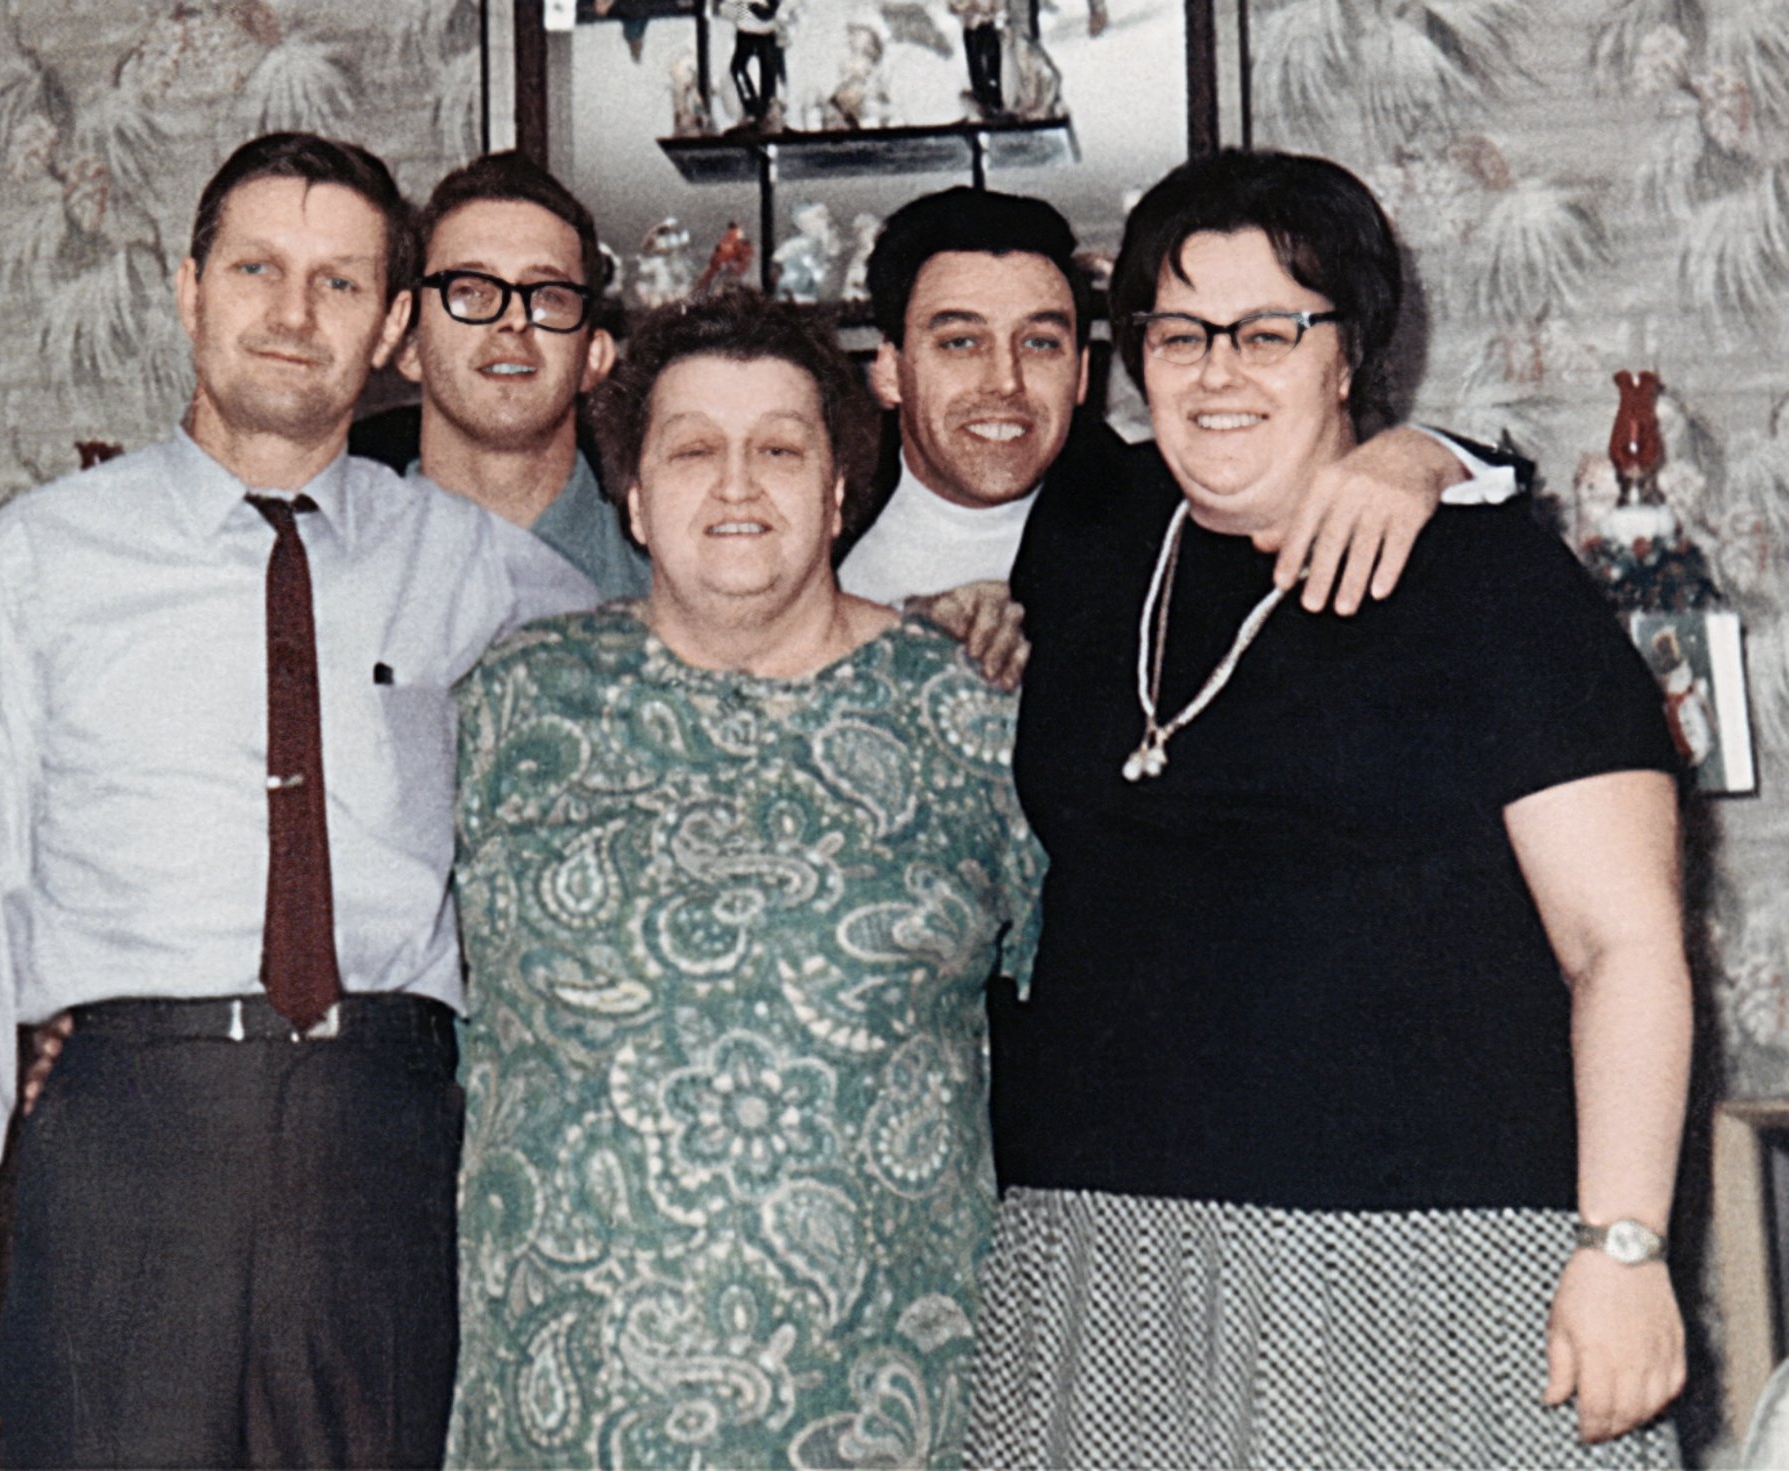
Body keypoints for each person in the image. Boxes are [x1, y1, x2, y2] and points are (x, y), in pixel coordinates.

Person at [0, 133, 593, 1468]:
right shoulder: (43, 557)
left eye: (342, 282)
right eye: (258, 269)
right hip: (127, 1148)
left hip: (387, 1154)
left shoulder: (491, 575)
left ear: (393, 332)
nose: (294, 314)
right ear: (188, 290)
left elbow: (716, 661)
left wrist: (943, 618)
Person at [968, 148, 1690, 1468]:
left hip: (1422, 1261)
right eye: (1177, 333)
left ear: (1346, 353)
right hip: (1100, 1257)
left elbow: (1624, 945)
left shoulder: (1492, 585)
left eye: (1269, 329)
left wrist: (1623, 1243)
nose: (1215, 370)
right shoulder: (1093, 529)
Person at [448, 289, 1043, 1469]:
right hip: (562, 1411)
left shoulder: (972, 713)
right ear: (630, 494)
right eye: (690, 450)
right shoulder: (510, 701)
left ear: (835, 492)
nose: (734, 485)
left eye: (777, 448)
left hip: (887, 1409)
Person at [841, 186, 1521, 658]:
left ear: (1083, 373)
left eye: (1040, 343)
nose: (1005, 382)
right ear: (889, 370)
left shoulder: (1160, 498)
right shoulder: (820, 531)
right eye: (960, 342)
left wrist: (1418, 454)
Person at [373, 151, 650, 601]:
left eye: (549, 296)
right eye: (471, 292)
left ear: (594, 357)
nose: (513, 318)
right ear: (409, 347)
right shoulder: (330, 576)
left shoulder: (670, 591)